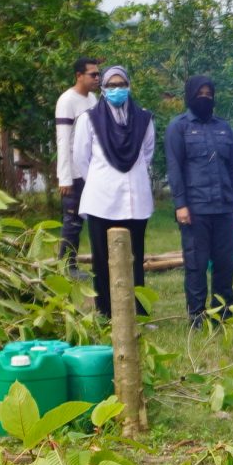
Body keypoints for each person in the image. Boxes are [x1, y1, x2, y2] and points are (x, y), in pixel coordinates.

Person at [65, 63, 157, 319]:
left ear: (129, 86)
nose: (117, 89)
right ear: (103, 89)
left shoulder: (144, 118)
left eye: (122, 84)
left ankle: (138, 312)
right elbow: (81, 158)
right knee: (102, 259)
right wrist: (104, 179)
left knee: (135, 258)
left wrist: (130, 174)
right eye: (111, 85)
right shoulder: (89, 119)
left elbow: (147, 153)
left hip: (135, 199)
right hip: (101, 200)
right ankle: (106, 313)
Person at [164, 73, 233, 328]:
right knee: (196, 264)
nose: (205, 98)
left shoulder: (224, 127)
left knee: (226, 263)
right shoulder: (178, 127)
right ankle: (196, 317)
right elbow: (174, 168)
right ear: (190, 96)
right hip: (195, 208)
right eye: (200, 94)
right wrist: (181, 205)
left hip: (224, 207)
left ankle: (222, 313)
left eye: (209, 94)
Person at [54, 58, 102, 267]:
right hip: (73, 173)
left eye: (98, 74)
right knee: (72, 222)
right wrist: (65, 178)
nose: (97, 78)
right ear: (79, 75)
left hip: (91, 170)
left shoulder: (93, 99)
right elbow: (63, 140)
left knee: (93, 219)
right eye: (93, 74)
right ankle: (67, 265)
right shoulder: (67, 100)